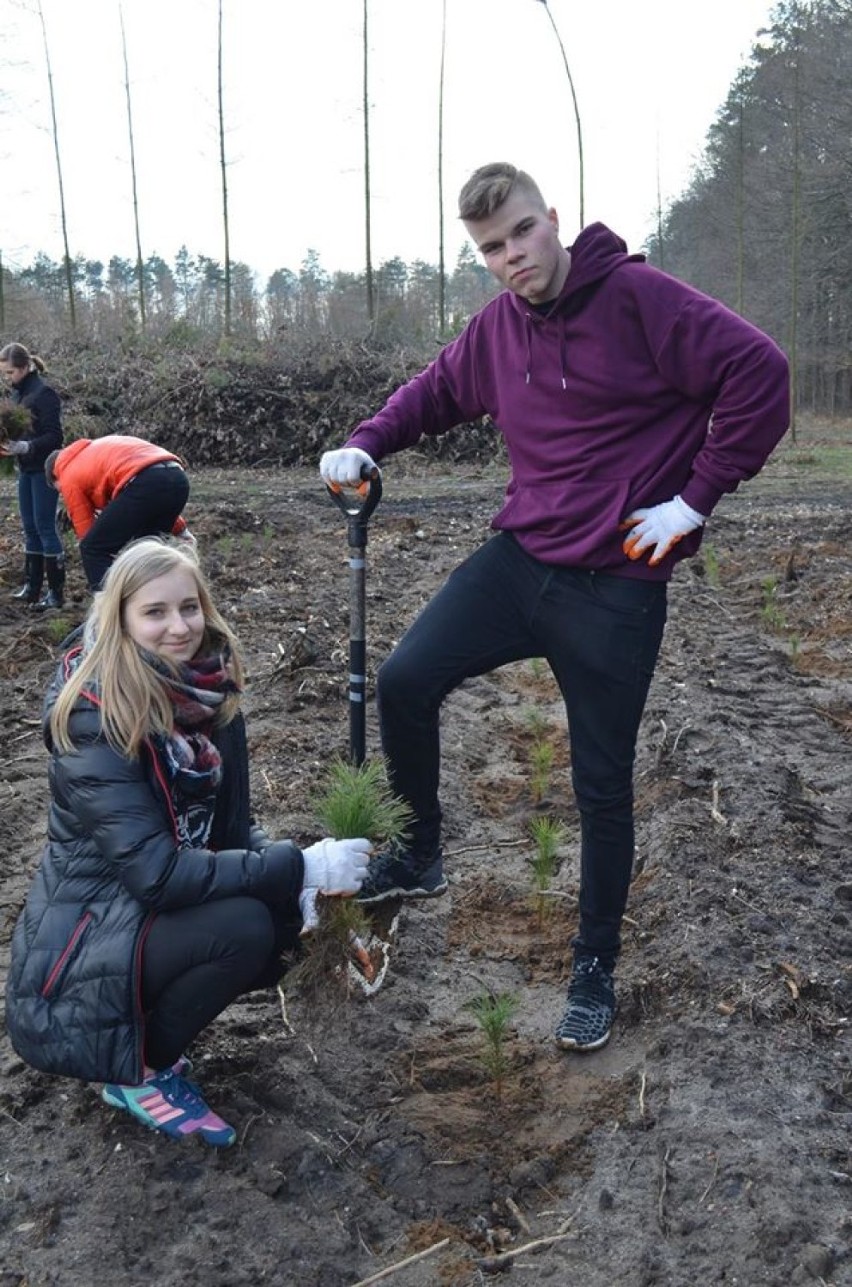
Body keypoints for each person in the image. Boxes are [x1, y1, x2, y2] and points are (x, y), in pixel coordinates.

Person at [319, 161, 790, 1054]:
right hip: (522, 558)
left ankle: (593, 968)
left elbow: (761, 370)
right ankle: (419, 855)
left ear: (554, 220)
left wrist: (695, 500)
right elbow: (437, 392)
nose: (510, 257)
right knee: (406, 680)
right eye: (491, 248)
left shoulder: (641, 300)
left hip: (616, 583)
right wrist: (367, 440)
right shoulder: (498, 329)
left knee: (600, 786)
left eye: (522, 234)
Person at [4, 538, 371, 1147]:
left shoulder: (207, 699)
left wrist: (306, 889)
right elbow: (156, 873)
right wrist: (296, 864)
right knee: (245, 927)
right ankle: (138, 1073)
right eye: (154, 613)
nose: (179, 627)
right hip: (80, 953)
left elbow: (230, 833)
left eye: (189, 607)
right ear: (119, 619)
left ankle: (149, 1031)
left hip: (143, 917)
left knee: (278, 922)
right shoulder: (94, 719)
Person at [45, 433, 196, 591]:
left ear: (56, 477)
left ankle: (108, 607)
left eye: (60, 491)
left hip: (144, 482)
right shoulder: (93, 452)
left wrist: (95, 552)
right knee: (146, 551)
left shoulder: (67, 474)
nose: (64, 496)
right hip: (177, 477)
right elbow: (155, 489)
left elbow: (87, 534)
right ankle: (155, 599)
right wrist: (180, 529)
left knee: (92, 549)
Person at [0, 342, 65, 609]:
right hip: (26, 469)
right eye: (3, 373)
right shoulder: (16, 396)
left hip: (44, 470)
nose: (7, 378)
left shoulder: (44, 393)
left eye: (10, 372)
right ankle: (32, 586)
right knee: (29, 527)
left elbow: (55, 436)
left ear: (26, 367)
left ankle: (56, 593)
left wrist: (28, 446)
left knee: (45, 526)